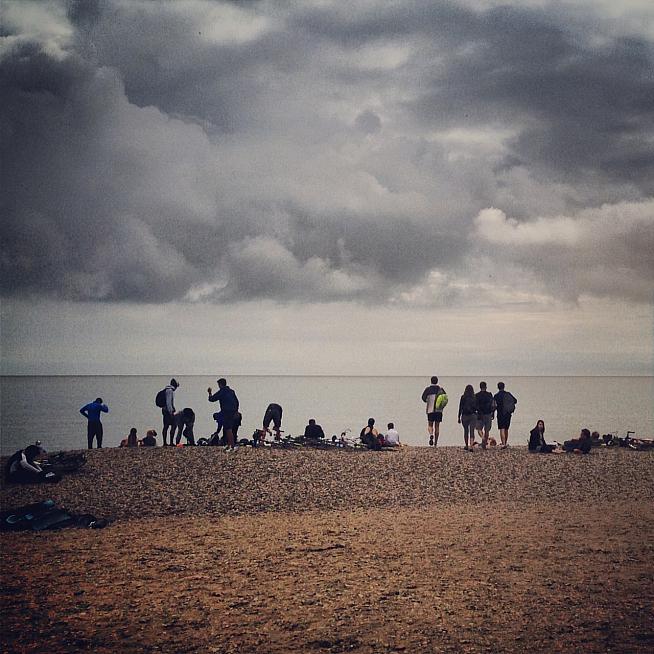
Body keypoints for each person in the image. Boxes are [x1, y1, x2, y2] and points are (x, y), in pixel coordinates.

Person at [208, 378, 239, 450]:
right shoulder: (231, 391)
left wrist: (209, 393)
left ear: (220, 384)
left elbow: (212, 399)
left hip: (226, 412)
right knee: (227, 428)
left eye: (219, 384)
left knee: (228, 429)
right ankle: (228, 445)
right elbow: (237, 402)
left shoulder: (222, 392)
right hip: (233, 411)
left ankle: (232, 446)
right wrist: (236, 411)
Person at [421, 376, 444, 447]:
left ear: (431, 381)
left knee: (430, 425)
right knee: (437, 426)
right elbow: (445, 398)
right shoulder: (441, 389)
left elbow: (423, 398)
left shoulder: (428, 389)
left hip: (430, 410)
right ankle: (436, 443)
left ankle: (431, 434)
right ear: (437, 381)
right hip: (439, 410)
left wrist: (428, 401)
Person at [494, 382, 517, 448]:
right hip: (508, 413)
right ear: (504, 387)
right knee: (506, 428)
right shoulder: (508, 394)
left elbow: (494, 405)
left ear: (498, 387)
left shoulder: (496, 396)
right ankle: (505, 442)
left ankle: (503, 443)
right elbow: (515, 401)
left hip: (500, 413)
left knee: (502, 428)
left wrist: (492, 413)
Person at [458, 385, 478, 451]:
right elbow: (476, 407)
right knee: (472, 431)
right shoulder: (474, 397)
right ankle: (471, 446)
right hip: (473, 415)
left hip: (465, 415)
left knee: (466, 431)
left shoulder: (463, 397)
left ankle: (466, 445)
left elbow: (460, 407)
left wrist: (459, 416)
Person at [475, 382, 494, 449]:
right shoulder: (489, 395)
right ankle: (484, 444)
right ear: (486, 387)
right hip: (488, 413)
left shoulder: (477, 395)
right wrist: (493, 413)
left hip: (480, 414)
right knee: (487, 430)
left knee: (479, 429)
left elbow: (475, 405)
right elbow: (493, 404)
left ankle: (482, 438)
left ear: (480, 387)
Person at [161, 379, 179, 446]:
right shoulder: (170, 391)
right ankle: (170, 442)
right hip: (167, 411)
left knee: (166, 426)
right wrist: (171, 412)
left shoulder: (166, 389)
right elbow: (168, 402)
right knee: (173, 425)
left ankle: (165, 442)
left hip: (164, 410)